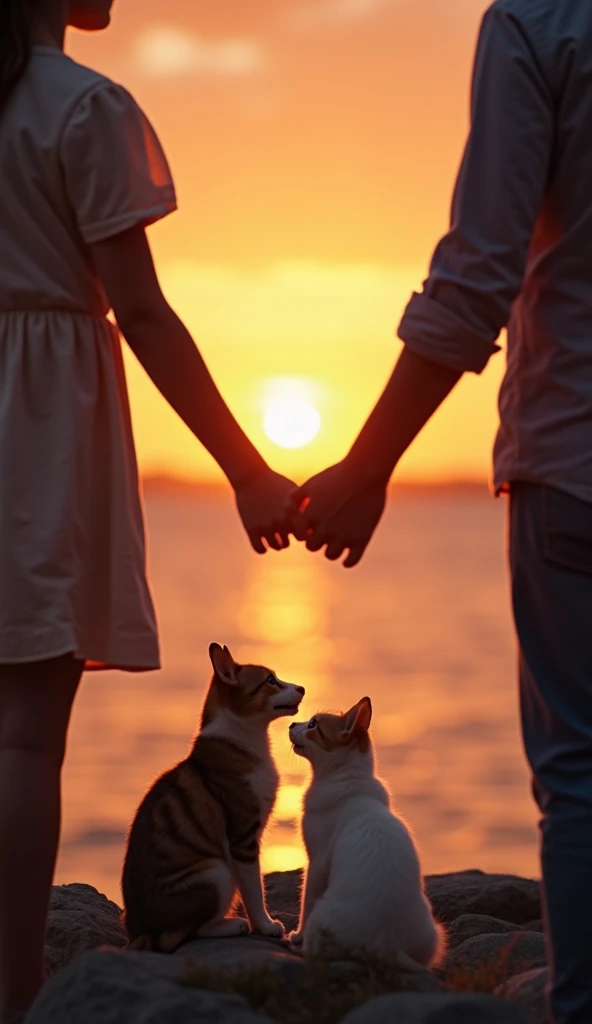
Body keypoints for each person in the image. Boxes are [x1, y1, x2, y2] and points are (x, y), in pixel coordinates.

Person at [292, 2, 592, 1022]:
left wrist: (369, 464)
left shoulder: (538, 24)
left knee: (581, 775)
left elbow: (478, 270)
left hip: (575, 461)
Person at [0, 1, 298, 1020]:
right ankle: (17, 990)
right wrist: (247, 469)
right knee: (25, 737)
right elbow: (146, 311)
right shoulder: (82, 109)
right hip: (35, 422)